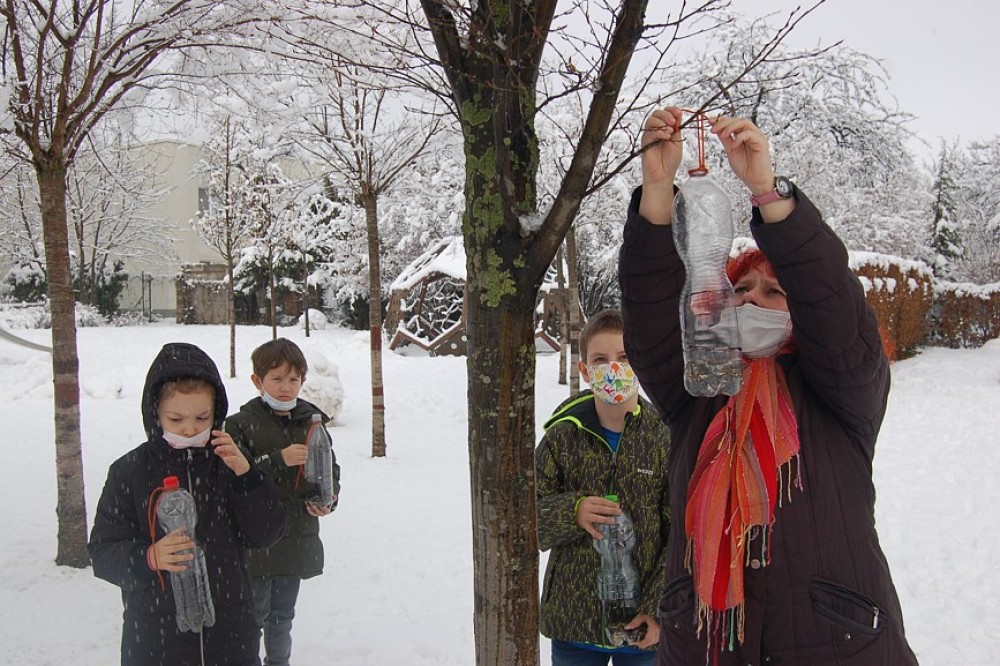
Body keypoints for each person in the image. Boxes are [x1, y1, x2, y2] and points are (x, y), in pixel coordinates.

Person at [618, 106, 918, 665]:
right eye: (742, 289)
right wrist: (657, 191)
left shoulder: (842, 389)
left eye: (773, 291)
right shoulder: (701, 387)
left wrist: (766, 192)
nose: (751, 297)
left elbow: (832, 304)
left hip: (835, 644)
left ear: (800, 311)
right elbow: (649, 314)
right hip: (705, 644)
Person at [89, 342, 286, 666]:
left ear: (216, 412)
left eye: (202, 417)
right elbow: (103, 552)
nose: (191, 428)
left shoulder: (230, 463)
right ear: (155, 414)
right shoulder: (131, 471)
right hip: (156, 639)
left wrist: (247, 476)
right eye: (176, 418)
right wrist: (149, 557)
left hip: (231, 634)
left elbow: (266, 534)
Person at [535, 309, 672, 665]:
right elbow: (526, 520)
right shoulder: (562, 436)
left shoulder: (664, 438)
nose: (613, 368)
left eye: (625, 357)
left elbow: (681, 534)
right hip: (574, 624)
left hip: (642, 629)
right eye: (600, 359)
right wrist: (572, 512)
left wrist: (657, 608)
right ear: (585, 370)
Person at [224, 337, 341, 666]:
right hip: (257, 542)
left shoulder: (312, 421)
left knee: (283, 616)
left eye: (294, 379)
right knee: (253, 618)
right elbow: (232, 479)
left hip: (296, 539)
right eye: (277, 379)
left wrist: (328, 499)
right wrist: (278, 459)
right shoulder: (239, 425)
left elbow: (330, 470)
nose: (286, 387)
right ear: (257, 380)